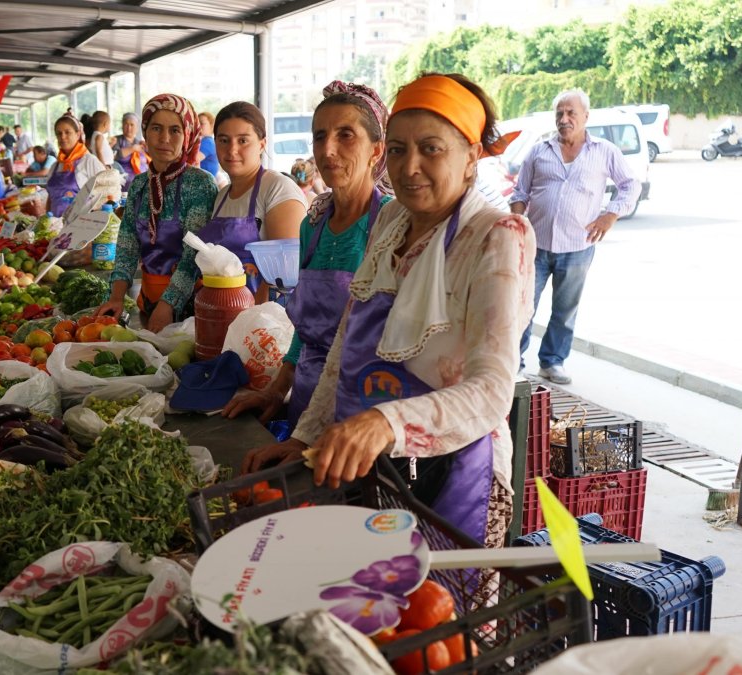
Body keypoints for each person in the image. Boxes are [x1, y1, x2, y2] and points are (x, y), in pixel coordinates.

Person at [243, 73, 536, 549]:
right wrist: (306, 436)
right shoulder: (393, 220)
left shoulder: (498, 236)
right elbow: (345, 343)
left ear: (471, 156)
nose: (409, 167)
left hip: (450, 476)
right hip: (372, 472)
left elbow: (491, 393)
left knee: (436, 616)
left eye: (431, 149)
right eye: (398, 150)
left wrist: (386, 423)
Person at [224, 81, 392, 428]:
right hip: (304, 403)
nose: (328, 149)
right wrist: (275, 391)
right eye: (319, 136)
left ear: (377, 149)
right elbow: (305, 329)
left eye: (346, 135)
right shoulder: (313, 225)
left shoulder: (390, 224)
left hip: (360, 412)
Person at [512, 89, 641, 385]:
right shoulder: (539, 150)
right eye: (560, 113)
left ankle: (552, 362)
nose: (564, 119)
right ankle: (513, 362)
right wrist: (517, 223)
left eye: (571, 113)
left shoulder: (604, 151)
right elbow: (520, 192)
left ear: (586, 116)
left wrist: (611, 214)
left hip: (578, 246)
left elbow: (630, 184)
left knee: (565, 309)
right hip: (536, 245)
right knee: (521, 305)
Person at [95, 94, 218, 332]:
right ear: (145, 133)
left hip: (192, 310)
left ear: (188, 136)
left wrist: (168, 304)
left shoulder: (200, 184)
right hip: (149, 304)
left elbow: (194, 254)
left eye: (175, 130)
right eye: (156, 128)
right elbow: (127, 245)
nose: (164, 138)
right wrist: (117, 297)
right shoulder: (140, 184)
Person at [199, 101, 305, 299]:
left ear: (262, 144)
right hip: (224, 313)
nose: (232, 150)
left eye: (243, 140)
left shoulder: (277, 188)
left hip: (264, 321)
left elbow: (283, 276)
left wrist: (249, 322)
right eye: (223, 140)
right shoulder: (222, 196)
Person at [44, 111, 105, 216]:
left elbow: (105, 192)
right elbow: (50, 199)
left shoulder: (89, 161)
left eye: (67, 132)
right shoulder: (55, 166)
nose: (63, 137)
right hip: (55, 228)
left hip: (80, 227)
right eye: (59, 133)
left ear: (78, 134)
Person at [113, 112, 148, 190]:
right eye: (126, 124)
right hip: (124, 184)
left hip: (142, 182)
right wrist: (133, 148)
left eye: (132, 125)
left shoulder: (140, 142)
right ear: (122, 125)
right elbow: (114, 156)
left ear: (137, 127)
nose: (129, 128)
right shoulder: (116, 140)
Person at [195, 111, 219, 177]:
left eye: (202, 123)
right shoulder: (202, 140)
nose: (198, 126)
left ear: (211, 126)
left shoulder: (208, 142)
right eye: (197, 123)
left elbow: (194, 159)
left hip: (204, 180)